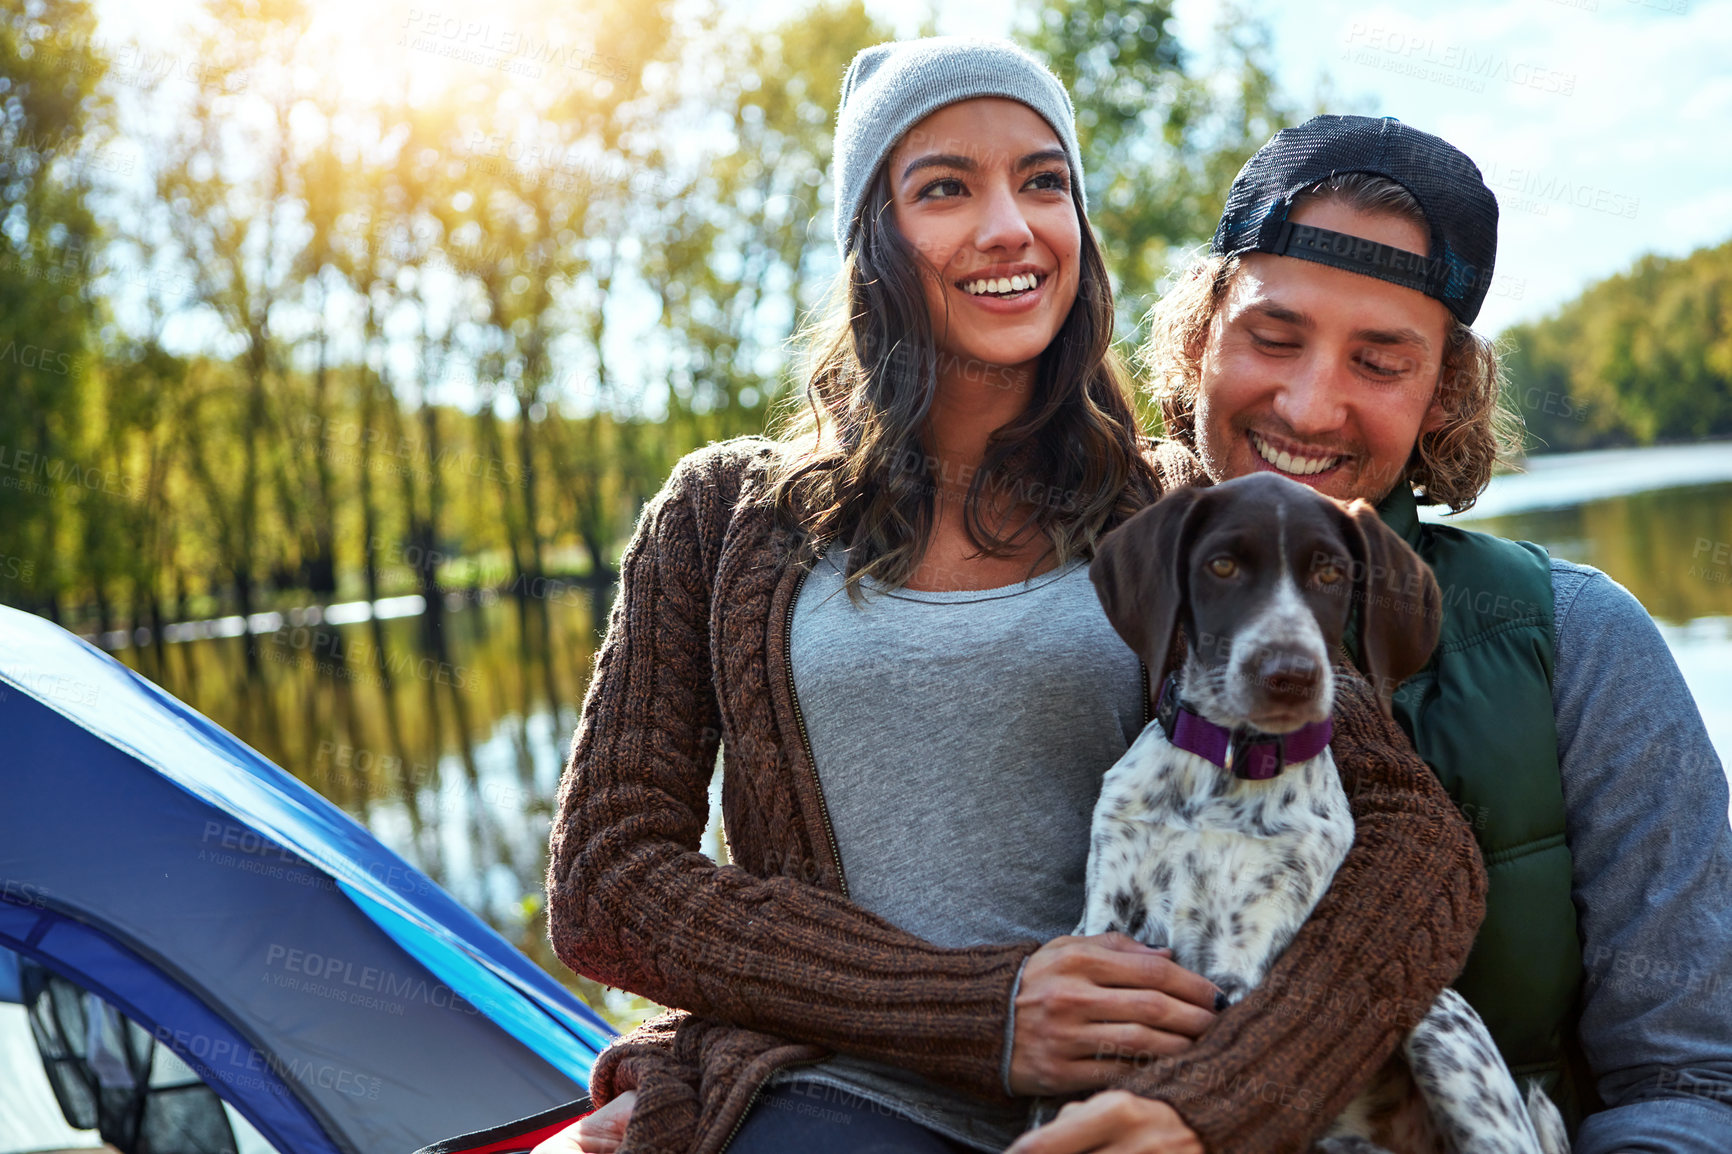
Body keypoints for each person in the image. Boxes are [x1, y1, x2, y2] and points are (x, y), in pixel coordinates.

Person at [537, 42, 1487, 1154]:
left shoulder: (1171, 511)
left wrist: (1224, 1095)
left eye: (1043, 182)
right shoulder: (719, 516)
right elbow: (608, 875)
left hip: (1125, 1100)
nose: (1009, 227)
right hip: (843, 1090)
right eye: (944, 187)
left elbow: (1417, 847)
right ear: (870, 237)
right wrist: (976, 1008)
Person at [1134, 114, 1732, 1152]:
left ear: (1444, 395)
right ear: (1197, 340)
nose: (1310, 404)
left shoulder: (1578, 641)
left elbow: (1686, 1074)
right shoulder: (1072, 607)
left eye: (1379, 360)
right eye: (1273, 337)